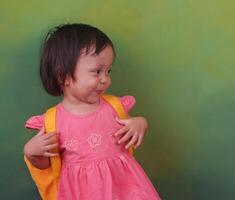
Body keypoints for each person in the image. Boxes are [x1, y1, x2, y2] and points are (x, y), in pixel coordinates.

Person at [23, 23, 161, 200]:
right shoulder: (53, 121)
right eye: (97, 71)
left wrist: (140, 123)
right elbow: (46, 166)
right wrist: (32, 152)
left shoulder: (114, 107)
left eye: (108, 71)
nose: (105, 79)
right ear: (63, 76)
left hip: (125, 189)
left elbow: (130, 129)